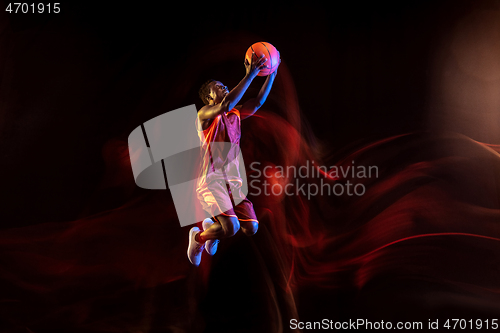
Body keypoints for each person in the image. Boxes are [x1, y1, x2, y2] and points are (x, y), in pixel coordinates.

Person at [187, 51, 280, 266]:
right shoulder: (204, 114)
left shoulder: (234, 114)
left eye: (224, 86)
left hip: (233, 181)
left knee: (251, 228)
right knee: (231, 228)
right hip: (211, 180)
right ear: (209, 97)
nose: (224, 88)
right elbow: (226, 104)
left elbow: (256, 102)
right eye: (218, 87)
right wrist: (250, 74)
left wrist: (271, 74)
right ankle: (199, 237)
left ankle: (212, 229)